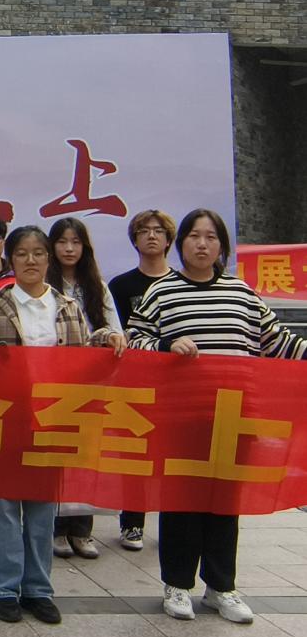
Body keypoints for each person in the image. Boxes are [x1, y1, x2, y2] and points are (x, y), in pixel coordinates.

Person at [127, 208, 307, 624]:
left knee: (225, 504)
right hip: (182, 418)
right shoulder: (161, 292)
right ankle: (176, 585)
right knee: (181, 503)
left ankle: (221, 587)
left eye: (211, 237)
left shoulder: (241, 293)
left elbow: (277, 342)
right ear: (181, 243)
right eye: (194, 235)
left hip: (235, 418)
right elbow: (135, 340)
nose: (202, 244)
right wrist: (166, 345)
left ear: (222, 246)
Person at [0, 225, 126, 626]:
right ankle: (4, 588)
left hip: (52, 421)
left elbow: (84, 354)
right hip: (4, 420)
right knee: (3, 508)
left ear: (49, 259)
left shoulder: (67, 307)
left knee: (42, 508)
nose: (30, 261)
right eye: (22, 253)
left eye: (38, 253)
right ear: (10, 260)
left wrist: (107, 338)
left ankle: (38, 589)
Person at [46, 216, 124, 560]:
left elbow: (113, 328)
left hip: (90, 381)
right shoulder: (44, 285)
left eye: (75, 242)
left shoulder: (97, 286)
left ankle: (81, 529)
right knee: (55, 455)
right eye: (62, 242)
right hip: (53, 380)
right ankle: (56, 528)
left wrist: (111, 340)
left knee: (86, 455)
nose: (69, 248)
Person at [108, 209, 177, 552]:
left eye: (158, 231)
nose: (151, 236)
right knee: (134, 453)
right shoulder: (120, 285)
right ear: (134, 239)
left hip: (175, 382)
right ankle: (132, 523)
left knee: (172, 456)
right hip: (134, 380)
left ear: (169, 239)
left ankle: (173, 522)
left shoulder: (179, 284)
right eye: (144, 231)